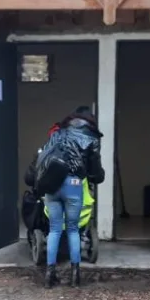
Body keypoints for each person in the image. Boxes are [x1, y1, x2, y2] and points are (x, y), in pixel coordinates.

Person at [33, 106, 104, 288]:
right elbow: (95, 171)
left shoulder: (58, 133)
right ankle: (75, 275)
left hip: (51, 184)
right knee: (73, 230)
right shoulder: (91, 138)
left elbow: (43, 158)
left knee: (55, 229)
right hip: (73, 185)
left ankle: (50, 275)